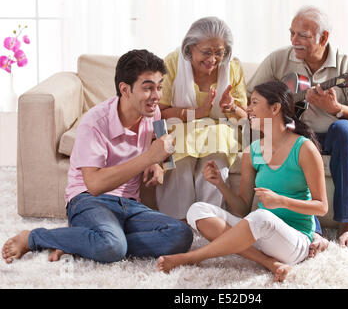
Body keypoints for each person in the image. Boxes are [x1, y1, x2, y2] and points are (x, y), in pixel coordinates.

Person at [2, 49, 193, 264]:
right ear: (125, 89)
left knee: (181, 234)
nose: (157, 96)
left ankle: (82, 242)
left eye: (159, 87)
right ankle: (34, 237)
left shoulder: (153, 113)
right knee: (112, 245)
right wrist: (149, 158)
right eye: (148, 88)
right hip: (88, 201)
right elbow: (94, 184)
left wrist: (158, 164)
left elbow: (160, 142)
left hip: (129, 204)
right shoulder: (94, 123)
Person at [157, 81, 328, 282]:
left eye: (254, 103)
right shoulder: (252, 151)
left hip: (295, 242)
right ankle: (269, 263)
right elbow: (242, 209)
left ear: (275, 108)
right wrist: (219, 183)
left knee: (261, 217)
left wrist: (281, 201)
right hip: (259, 234)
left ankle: (190, 258)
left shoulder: (304, 148)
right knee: (197, 210)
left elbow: (321, 207)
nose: (247, 109)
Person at [246, 6, 348, 247]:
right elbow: (250, 96)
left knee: (344, 129)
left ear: (323, 37)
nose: (294, 41)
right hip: (300, 135)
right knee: (295, 137)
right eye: (291, 33)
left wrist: (337, 108)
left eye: (302, 35)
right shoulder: (279, 59)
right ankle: (312, 231)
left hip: (337, 138)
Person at [156, 16, 248, 221]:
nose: (213, 59)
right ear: (190, 48)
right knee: (180, 153)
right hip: (182, 125)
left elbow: (245, 116)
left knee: (217, 147)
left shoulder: (232, 67)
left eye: (219, 53)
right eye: (206, 52)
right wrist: (198, 113)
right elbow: (160, 111)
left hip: (220, 128)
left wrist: (231, 107)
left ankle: (209, 221)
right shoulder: (172, 63)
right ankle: (176, 221)